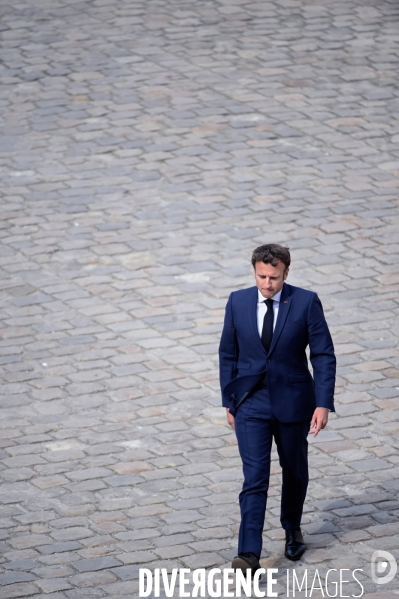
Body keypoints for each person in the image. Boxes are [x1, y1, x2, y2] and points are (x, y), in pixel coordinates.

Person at [219, 244, 336, 575]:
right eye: (262, 276)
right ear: (254, 271)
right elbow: (227, 353)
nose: (267, 283)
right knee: (254, 477)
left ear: (286, 273)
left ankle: (292, 527)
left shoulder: (305, 301)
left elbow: (323, 354)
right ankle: (249, 553)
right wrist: (229, 401)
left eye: (274, 277)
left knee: (295, 470)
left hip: (294, 402)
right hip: (250, 403)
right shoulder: (237, 301)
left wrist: (323, 402)